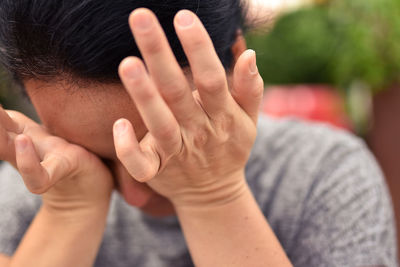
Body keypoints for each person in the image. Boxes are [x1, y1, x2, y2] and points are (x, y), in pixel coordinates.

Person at [0, 1, 397, 266]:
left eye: (175, 141)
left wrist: (211, 194)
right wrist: (69, 214)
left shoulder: (323, 176)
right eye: (101, 158)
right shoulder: (32, 189)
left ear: (238, 62)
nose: (137, 193)